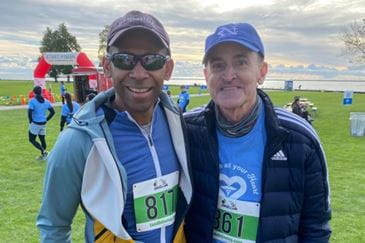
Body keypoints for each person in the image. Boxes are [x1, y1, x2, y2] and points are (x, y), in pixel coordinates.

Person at [37, 10, 192, 243]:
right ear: (107, 67)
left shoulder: (181, 125)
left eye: (152, 60)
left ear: (167, 69)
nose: (139, 73)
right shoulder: (77, 142)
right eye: (124, 59)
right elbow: (54, 227)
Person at [184, 23, 331, 242]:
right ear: (207, 76)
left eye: (241, 62)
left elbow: (316, 226)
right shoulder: (186, 131)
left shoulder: (300, 139)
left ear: (261, 72)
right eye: (218, 65)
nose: (228, 75)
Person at [28, 86, 55, 160]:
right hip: (43, 123)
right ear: (41, 92)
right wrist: (46, 119)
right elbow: (53, 112)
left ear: (34, 92)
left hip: (35, 123)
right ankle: (44, 155)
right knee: (42, 139)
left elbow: (29, 112)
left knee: (32, 139)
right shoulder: (46, 101)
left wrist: (30, 121)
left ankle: (44, 151)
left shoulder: (32, 101)